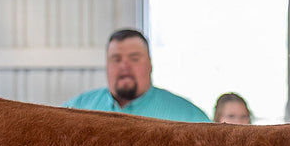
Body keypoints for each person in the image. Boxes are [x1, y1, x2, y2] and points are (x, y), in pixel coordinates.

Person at [64, 29, 209, 122]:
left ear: (150, 64)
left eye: (134, 58)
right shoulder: (74, 111)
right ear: (107, 65)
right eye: (116, 59)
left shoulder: (188, 117)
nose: (124, 66)